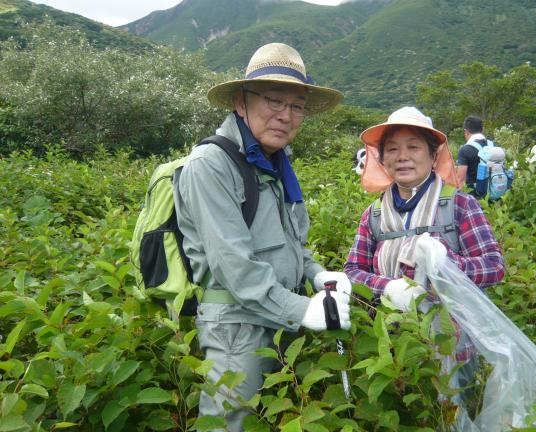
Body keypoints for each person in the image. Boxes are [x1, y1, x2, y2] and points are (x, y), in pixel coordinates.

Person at [173, 43, 352, 431]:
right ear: (241, 102)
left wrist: (318, 274)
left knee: (274, 418)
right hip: (237, 328)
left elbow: (289, 244)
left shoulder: (273, 163)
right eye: (273, 101)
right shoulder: (211, 166)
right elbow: (233, 265)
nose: (286, 116)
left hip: (278, 316)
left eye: (297, 106)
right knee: (230, 423)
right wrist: (304, 310)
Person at [343, 107, 505, 393]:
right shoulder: (375, 215)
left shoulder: (459, 205)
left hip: (453, 346)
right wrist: (390, 288)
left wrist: (447, 263)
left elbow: (494, 266)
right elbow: (352, 271)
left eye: (413, 147)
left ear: (433, 156)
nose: (402, 156)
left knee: (453, 413)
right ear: (382, 159)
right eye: (392, 149)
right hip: (391, 350)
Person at [456, 115, 494, 197]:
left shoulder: (465, 150)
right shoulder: (494, 146)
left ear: (466, 132)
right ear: (482, 130)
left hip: (474, 198)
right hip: (495, 194)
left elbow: (460, 179)